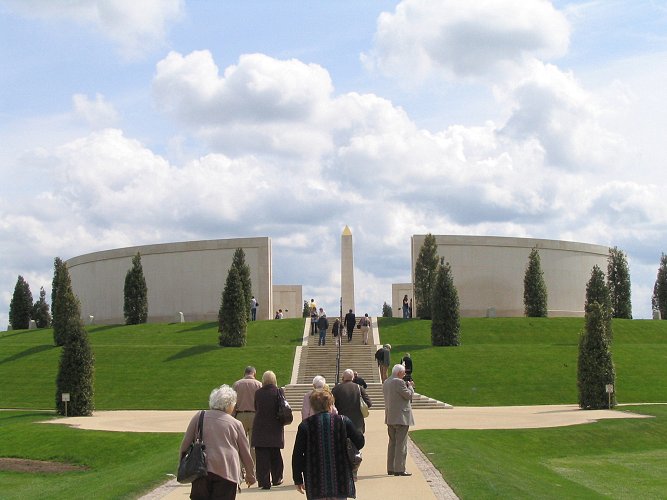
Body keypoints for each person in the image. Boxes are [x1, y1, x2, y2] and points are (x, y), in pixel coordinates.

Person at [180, 385, 256, 499]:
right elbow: (245, 453)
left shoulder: (199, 416)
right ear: (230, 405)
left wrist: (182, 466)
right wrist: (250, 475)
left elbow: (184, 445)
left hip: (201, 470)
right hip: (227, 473)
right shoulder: (235, 424)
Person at [292, 389, 364, 499]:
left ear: (313, 406)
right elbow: (360, 442)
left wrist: (298, 478)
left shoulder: (305, 425)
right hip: (340, 477)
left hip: (315, 478)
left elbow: (297, 454)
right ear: (330, 404)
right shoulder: (343, 421)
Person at [251, 371, 285, 490]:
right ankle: (277, 478)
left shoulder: (258, 393)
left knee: (261, 456)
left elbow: (256, 407)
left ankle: (264, 481)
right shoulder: (279, 392)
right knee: (275, 454)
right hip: (275, 425)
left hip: (260, 426)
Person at [383, 364, 415, 477]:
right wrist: (410, 386)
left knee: (392, 443)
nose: (405, 374)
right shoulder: (399, 382)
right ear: (398, 373)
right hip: (401, 417)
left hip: (390, 416)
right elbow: (409, 395)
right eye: (403, 373)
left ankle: (391, 467)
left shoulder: (386, 382)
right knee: (401, 444)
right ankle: (399, 469)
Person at [232, 366, 262, 462]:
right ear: (254, 373)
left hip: (240, 415)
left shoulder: (237, 384)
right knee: (253, 445)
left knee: (240, 444)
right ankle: (252, 468)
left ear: (244, 373)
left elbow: (232, 402)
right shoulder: (259, 385)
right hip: (254, 415)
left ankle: (241, 468)